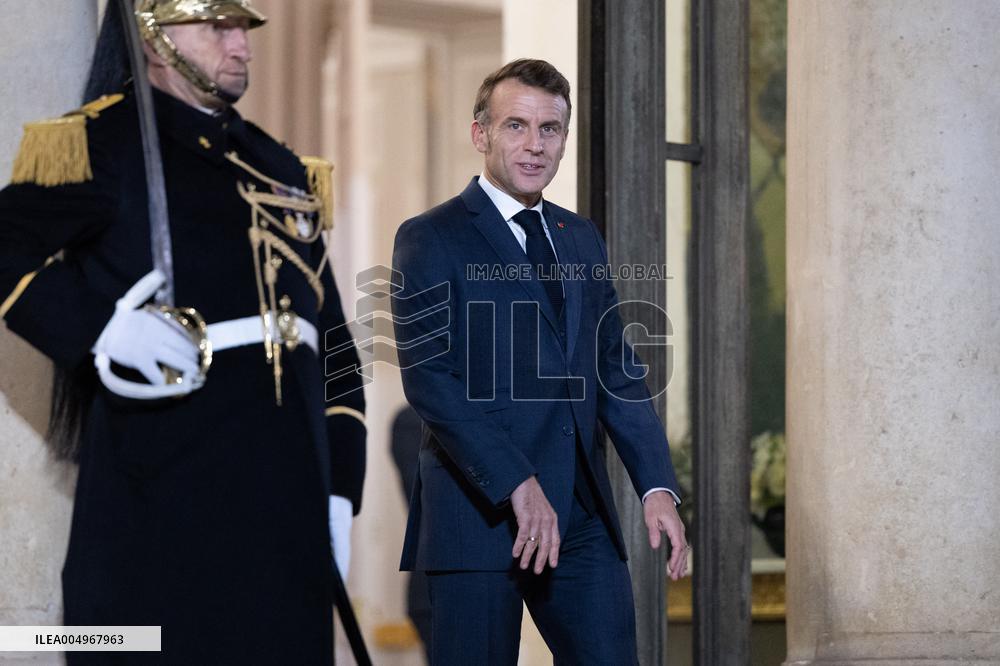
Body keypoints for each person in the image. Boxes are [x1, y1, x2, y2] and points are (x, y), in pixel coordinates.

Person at [0, 2, 365, 663]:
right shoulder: (103, 144)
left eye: (243, 28)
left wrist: (340, 489)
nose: (241, 46)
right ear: (153, 33)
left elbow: (333, 343)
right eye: (217, 27)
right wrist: (102, 329)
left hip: (287, 507)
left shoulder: (282, 168)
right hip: (164, 499)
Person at [391, 58, 690, 664]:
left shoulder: (580, 236)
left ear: (564, 139)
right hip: (477, 514)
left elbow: (614, 367)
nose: (535, 145)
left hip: (579, 515)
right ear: (480, 134)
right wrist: (516, 482)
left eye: (549, 129)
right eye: (516, 126)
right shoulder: (430, 236)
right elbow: (431, 382)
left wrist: (656, 485)